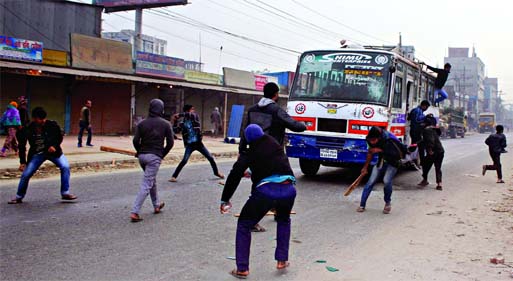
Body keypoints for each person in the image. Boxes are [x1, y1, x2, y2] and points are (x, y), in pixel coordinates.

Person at [223, 82, 306, 232]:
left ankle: (270, 211)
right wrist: (304, 125)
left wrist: (242, 151)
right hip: (273, 153)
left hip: (253, 152)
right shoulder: (276, 110)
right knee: (277, 181)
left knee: (259, 181)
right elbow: (294, 125)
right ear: (276, 94)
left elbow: (245, 131)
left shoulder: (252, 110)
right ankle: (258, 218)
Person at [221, 124, 297, 279]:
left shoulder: (249, 151)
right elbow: (271, 164)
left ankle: (242, 268)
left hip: (266, 191)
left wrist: (225, 199)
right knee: (283, 220)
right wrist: (251, 172)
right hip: (288, 189)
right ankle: (282, 260)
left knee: (244, 224)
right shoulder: (274, 144)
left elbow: (235, 174)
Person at [8, 107, 77, 204]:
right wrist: (23, 162)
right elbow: (22, 146)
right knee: (26, 174)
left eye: (43, 119)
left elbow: (59, 137)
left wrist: (54, 146)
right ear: (35, 119)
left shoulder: (52, 125)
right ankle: (19, 196)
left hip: (54, 153)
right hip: (37, 154)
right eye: (39, 119)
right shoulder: (29, 128)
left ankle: (65, 192)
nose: (41, 121)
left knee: (65, 166)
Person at [130, 99, 174, 222]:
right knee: (146, 184)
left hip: (142, 157)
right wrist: (161, 155)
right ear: (161, 109)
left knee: (151, 181)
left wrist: (139, 152)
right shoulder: (165, 124)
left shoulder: (142, 123)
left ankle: (156, 205)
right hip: (154, 157)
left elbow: (135, 141)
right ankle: (135, 212)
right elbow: (170, 143)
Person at [357, 126, 407, 214]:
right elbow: (370, 152)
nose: (372, 142)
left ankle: (387, 203)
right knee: (370, 181)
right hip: (381, 161)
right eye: (370, 140)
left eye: (374, 140)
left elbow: (398, 155)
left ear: (379, 138)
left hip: (393, 162)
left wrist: (380, 150)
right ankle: (362, 204)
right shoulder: (369, 139)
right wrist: (365, 167)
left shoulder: (390, 139)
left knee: (387, 181)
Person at [169, 104, 224, 182]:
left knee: (210, 158)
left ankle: (216, 172)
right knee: (184, 160)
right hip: (189, 145)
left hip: (198, 144)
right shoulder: (182, 123)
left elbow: (192, 115)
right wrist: (174, 122)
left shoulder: (195, 117)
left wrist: (179, 115)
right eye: (192, 109)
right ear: (187, 110)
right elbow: (176, 130)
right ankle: (174, 176)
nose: (193, 111)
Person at [418, 116, 445, 190]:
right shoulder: (434, 129)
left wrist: (430, 150)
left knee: (424, 164)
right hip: (440, 151)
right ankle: (439, 184)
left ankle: (425, 180)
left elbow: (430, 140)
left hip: (433, 152)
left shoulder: (427, 130)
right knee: (438, 168)